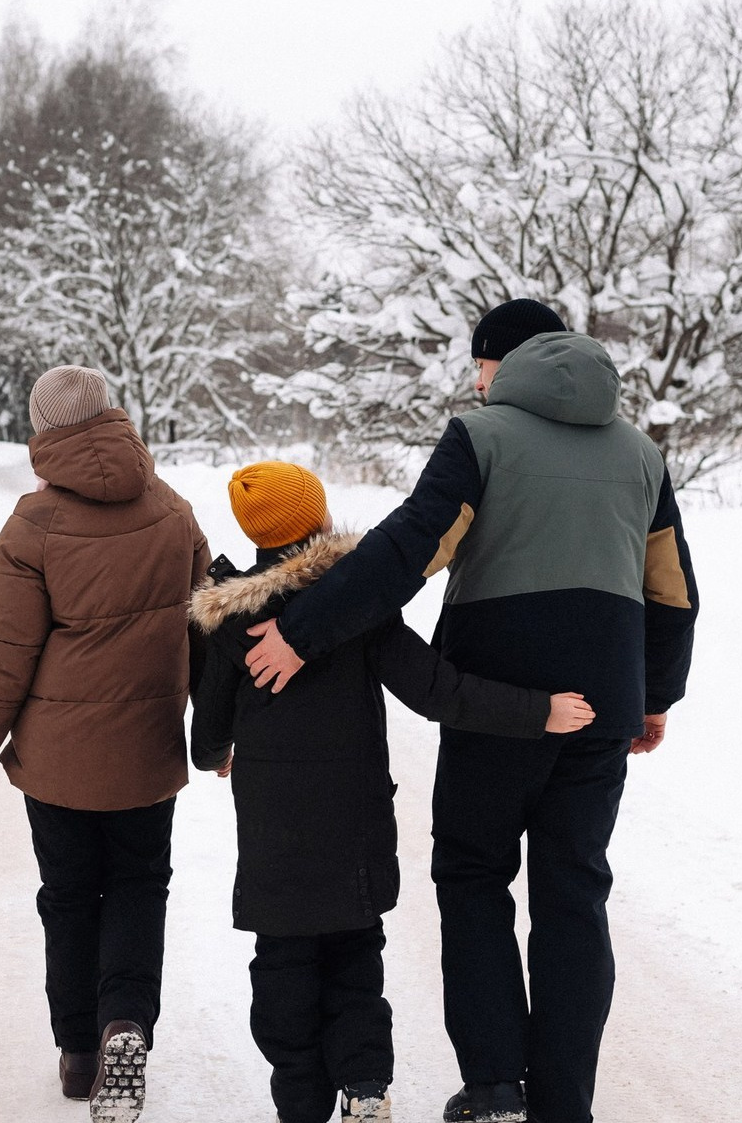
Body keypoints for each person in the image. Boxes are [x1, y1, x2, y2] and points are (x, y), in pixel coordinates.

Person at [244, 301, 699, 1123]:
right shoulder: (641, 454)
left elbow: (404, 551)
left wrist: (304, 632)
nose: (477, 381)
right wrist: (654, 696)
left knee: (474, 874)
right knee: (574, 897)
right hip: (601, 709)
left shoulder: (482, 436)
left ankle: (494, 1087)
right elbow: (671, 594)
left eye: (480, 365)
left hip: (498, 703)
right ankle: (564, 1105)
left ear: (503, 363)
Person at [189, 460, 595, 1123]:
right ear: (320, 521)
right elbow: (440, 691)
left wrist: (220, 754)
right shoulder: (360, 607)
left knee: (284, 964)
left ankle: (300, 1097)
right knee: (354, 960)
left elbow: (206, 734)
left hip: (274, 835)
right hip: (355, 828)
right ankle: (366, 1085)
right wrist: (537, 712)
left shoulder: (229, 619)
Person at [0, 365, 211, 1123]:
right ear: (113, 417)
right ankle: (125, 1020)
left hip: (59, 763)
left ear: (45, 432)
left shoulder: (33, 525)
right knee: (139, 885)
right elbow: (204, 632)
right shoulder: (174, 511)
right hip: (146, 752)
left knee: (69, 897)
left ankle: (77, 1055)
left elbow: (7, 650)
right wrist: (218, 731)